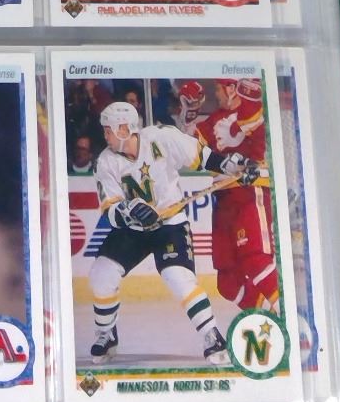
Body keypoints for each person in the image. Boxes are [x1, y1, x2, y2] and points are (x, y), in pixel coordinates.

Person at [86, 98, 261, 368]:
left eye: (108, 130)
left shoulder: (161, 138)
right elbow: (109, 210)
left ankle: (211, 335)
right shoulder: (105, 162)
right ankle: (106, 334)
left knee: (178, 277)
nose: (105, 135)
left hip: (170, 225)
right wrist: (130, 210)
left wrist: (234, 166)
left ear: (124, 129)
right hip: (134, 230)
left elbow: (202, 157)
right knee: (101, 273)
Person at [192, 79, 279, 311]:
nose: (216, 94)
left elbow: (258, 127)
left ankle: (287, 314)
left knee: (255, 258)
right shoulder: (212, 121)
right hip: (223, 200)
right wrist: (185, 119)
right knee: (228, 282)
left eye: (218, 89)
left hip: (250, 191)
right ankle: (268, 317)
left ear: (231, 89)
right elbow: (190, 149)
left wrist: (248, 95)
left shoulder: (251, 110)